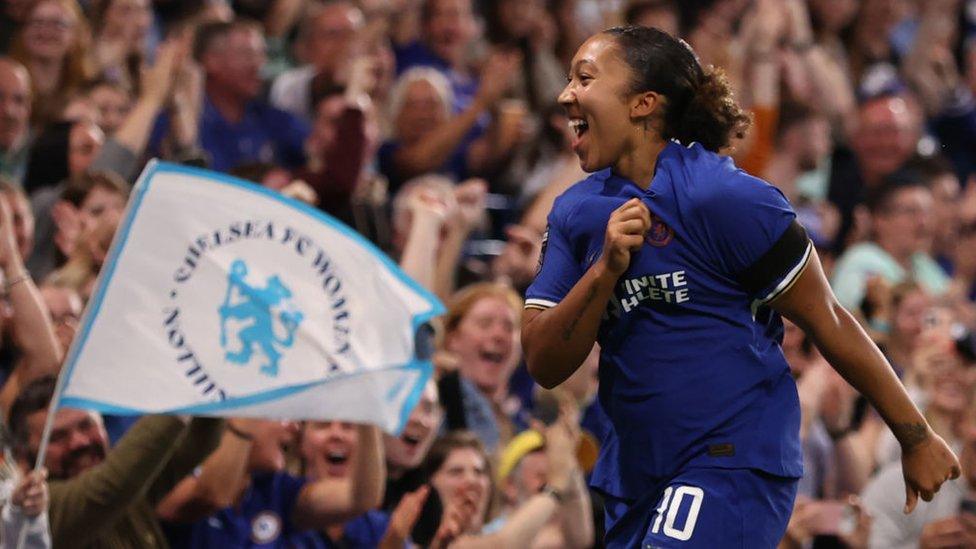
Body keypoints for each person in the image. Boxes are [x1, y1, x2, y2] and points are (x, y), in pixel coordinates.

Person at [520, 26, 960, 547]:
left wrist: (914, 434)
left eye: (585, 78)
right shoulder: (575, 212)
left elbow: (829, 318)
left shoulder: (725, 198)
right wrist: (604, 272)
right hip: (636, 475)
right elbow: (543, 363)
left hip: (731, 462)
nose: (565, 94)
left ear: (643, 103)